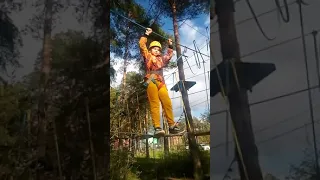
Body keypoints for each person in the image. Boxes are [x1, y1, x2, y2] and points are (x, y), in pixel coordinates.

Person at [139, 27, 183, 136]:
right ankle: (157, 128)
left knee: (167, 102)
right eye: (154, 49)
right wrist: (146, 34)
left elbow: (168, 56)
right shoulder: (147, 55)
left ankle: (172, 125)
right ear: (150, 50)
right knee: (155, 104)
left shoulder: (161, 59)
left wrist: (170, 45)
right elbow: (142, 45)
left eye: (158, 49)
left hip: (161, 82)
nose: (157, 50)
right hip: (151, 80)